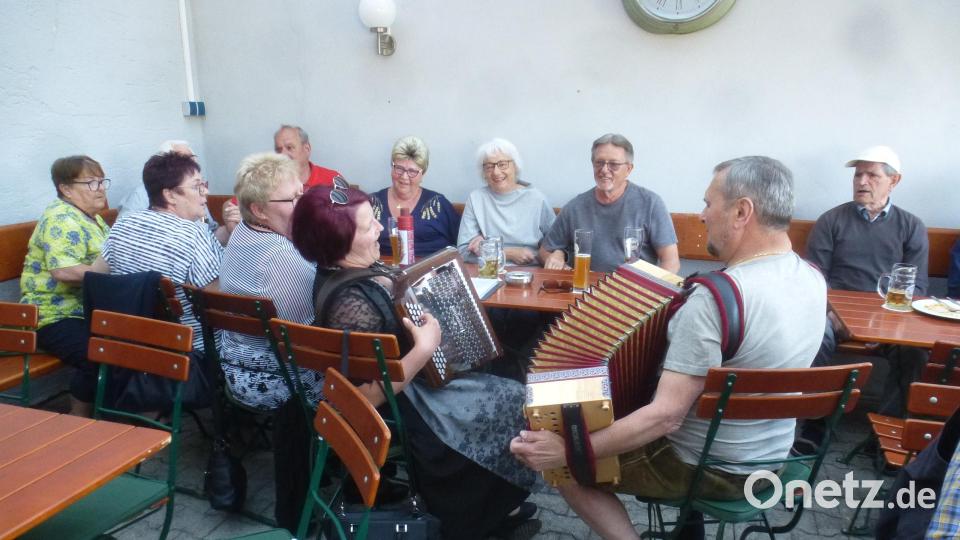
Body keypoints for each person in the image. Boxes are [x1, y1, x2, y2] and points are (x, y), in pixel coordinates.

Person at [511, 156, 827, 539]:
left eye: (710, 204)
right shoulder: (812, 279)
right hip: (774, 459)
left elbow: (665, 419)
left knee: (561, 466)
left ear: (742, 211)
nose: (703, 215)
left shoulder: (717, 300)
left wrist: (567, 452)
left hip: (710, 468)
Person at [291, 186, 539, 540]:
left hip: (417, 384)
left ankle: (500, 504)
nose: (381, 228)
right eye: (368, 226)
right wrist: (424, 350)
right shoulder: (348, 303)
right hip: (406, 407)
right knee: (511, 398)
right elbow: (363, 400)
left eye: (375, 218)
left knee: (508, 364)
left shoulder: (352, 269)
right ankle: (485, 516)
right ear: (340, 240)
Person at [806, 145, 928, 416]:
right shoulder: (831, 221)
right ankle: (814, 421)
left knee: (916, 351)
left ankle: (889, 429)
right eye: (858, 175)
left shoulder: (911, 226)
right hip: (835, 316)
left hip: (889, 319)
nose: (862, 182)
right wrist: (831, 312)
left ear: (893, 181)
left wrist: (883, 327)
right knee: (815, 336)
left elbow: (917, 289)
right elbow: (814, 280)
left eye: (872, 175)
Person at [219, 152, 318, 410]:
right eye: (293, 199)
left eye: (302, 193)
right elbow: (311, 337)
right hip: (276, 378)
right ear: (259, 210)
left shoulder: (242, 231)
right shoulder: (279, 258)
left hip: (238, 365)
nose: (303, 204)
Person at [101, 151, 222, 354]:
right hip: (191, 347)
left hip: (132, 342)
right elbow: (219, 301)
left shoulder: (123, 224)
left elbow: (98, 274)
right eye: (196, 186)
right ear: (170, 194)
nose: (205, 193)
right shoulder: (193, 233)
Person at [20, 155, 111, 416]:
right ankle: (78, 420)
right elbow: (63, 270)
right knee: (97, 354)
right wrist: (111, 278)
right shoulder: (61, 218)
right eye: (92, 183)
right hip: (52, 315)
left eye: (102, 181)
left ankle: (117, 413)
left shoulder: (91, 217)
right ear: (66, 189)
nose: (101, 188)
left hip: (84, 310)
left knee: (127, 342)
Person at [540, 133, 680, 273]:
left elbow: (671, 262)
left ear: (629, 169)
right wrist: (558, 257)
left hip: (633, 289)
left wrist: (651, 291)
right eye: (599, 163)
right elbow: (544, 251)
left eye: (613, 164)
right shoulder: (575, 207)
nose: (604, 170)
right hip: (585, 289)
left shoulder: (650, 204)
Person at [119, 140, 240, 245]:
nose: (191, 164)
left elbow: (210, 231)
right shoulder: (140, 196)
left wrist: (230, 228)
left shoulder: (196, 194)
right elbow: (124, 236)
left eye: (192, 159)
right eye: (183, 160)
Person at [457, 138, 556, 265]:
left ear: (515, 165)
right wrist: (507, 252)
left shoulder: (536, 198)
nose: (496, 172)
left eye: (502, 164)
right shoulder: (476, 198)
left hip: (529, 272)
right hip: (488, 273)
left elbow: (555, 246)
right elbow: (463, 252)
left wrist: (486, 248)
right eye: (489, 167)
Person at [370, 136, 460, 257]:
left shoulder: (439, 204)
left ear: (423, 173)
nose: (404, 177)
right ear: (392, 167)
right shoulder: (371, 203)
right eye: (399, 168)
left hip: (429, 271)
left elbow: (460, 245)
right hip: (382, 272)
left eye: (412, 171)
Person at [273, 125, 343, 189]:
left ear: (307, 149)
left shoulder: (332, 180)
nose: (282, 154)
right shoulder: (269, 184)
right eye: (278, 150)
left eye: (289, 147)